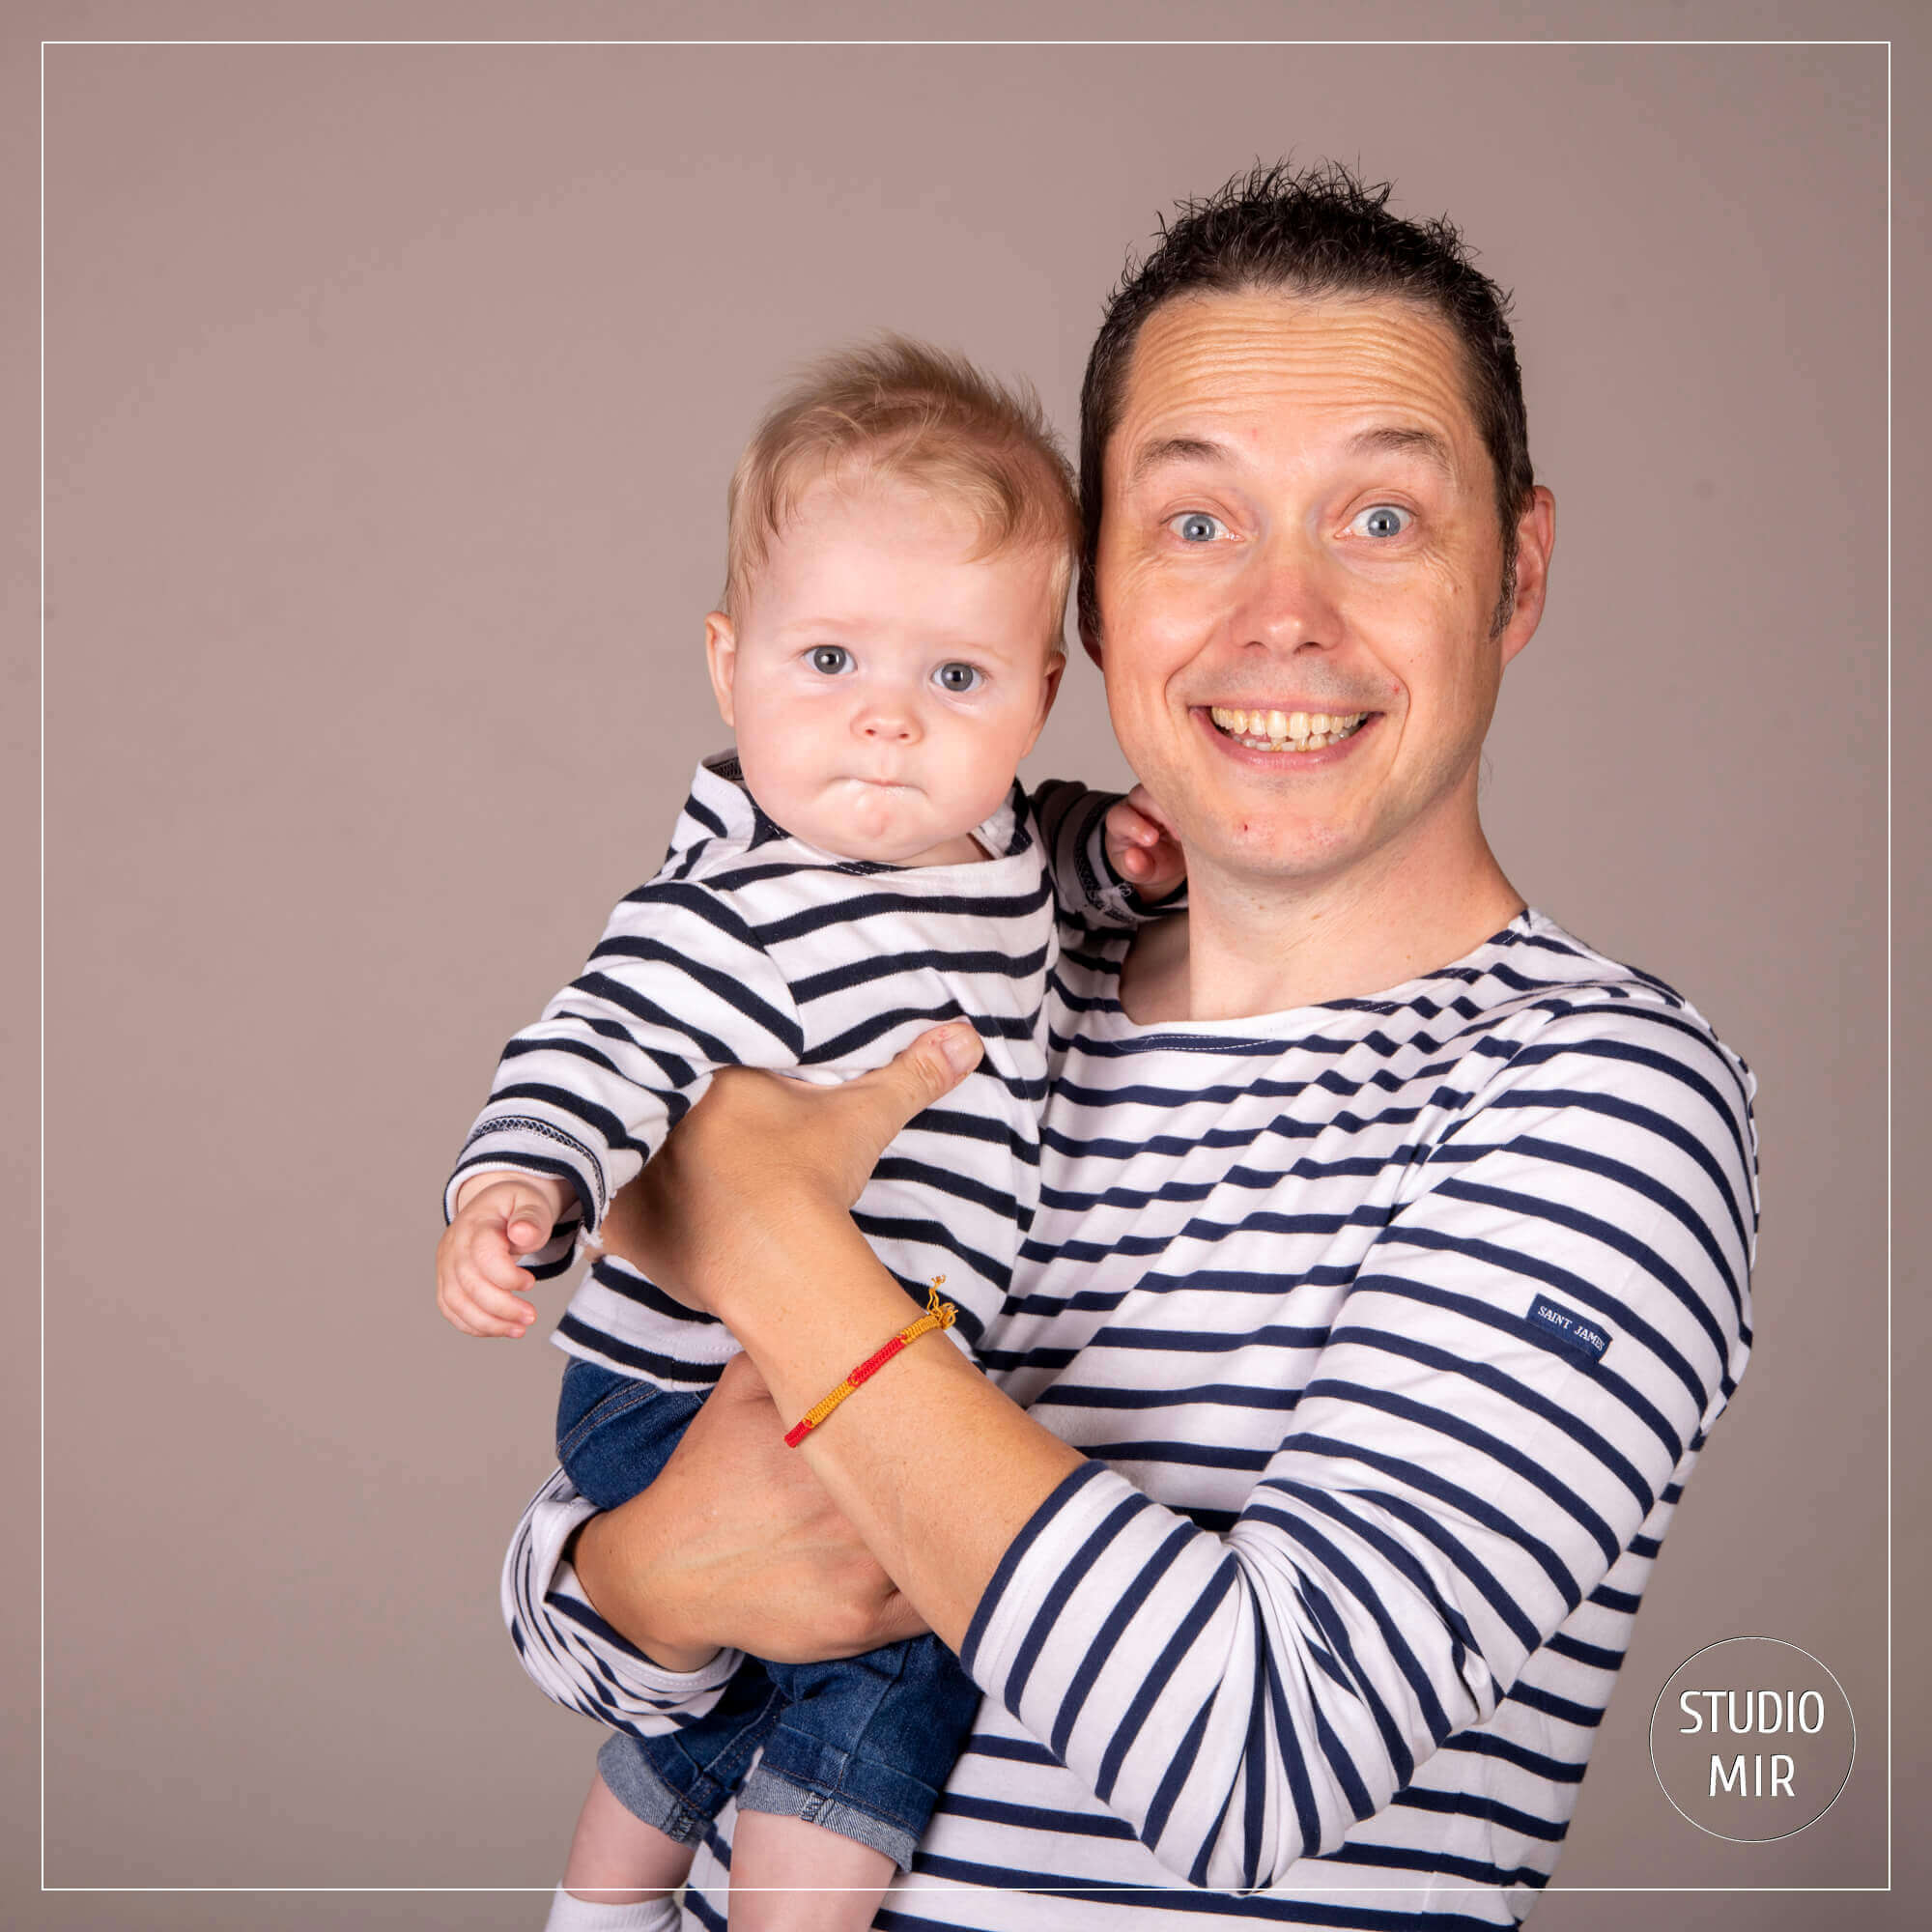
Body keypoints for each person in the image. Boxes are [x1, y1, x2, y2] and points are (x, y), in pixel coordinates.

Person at [497, 162, 1758, 1927]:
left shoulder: (1596, 1098)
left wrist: (770, 1239)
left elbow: (1257, 1755)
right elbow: (586, 1624)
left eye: (1383, 520)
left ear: (1519, 568)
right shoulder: (977, 980)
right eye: (1195, 523)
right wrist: (647, 1577)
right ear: (1089, 604)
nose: (1284, 617)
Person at [437, 339, 1186, 1932]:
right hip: (681, 1388)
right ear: (730, 665)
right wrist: (526, 1179)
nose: (886, 729)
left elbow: (1055, 870)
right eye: (828, 662)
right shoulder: (734, 907)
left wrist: (1123, 858)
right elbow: (595, 1036)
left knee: (748, 1661)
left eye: (956, 680)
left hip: (833, 1364)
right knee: (912, 1627)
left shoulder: (1001, 850)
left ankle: (610, 1895)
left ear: (1040, 696)